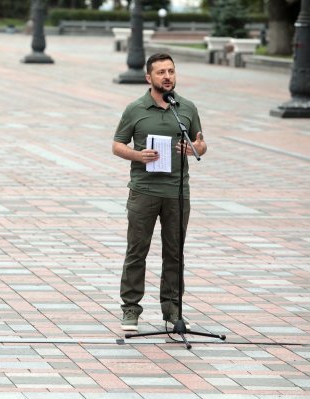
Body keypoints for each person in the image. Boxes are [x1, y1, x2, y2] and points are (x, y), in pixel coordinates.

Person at [113, 53, 207, 332]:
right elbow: (117, 145)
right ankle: (130, 309)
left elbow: (201, 145)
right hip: (143, 191)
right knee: (137, 250)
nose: (167, 76)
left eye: (171, 71)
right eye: (161, 72)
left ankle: (172, 310)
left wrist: (194, 149)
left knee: (175, 253)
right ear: (149, 78)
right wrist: (138, 155)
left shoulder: (186, 108)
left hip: (177, 191)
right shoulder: (135, 109)